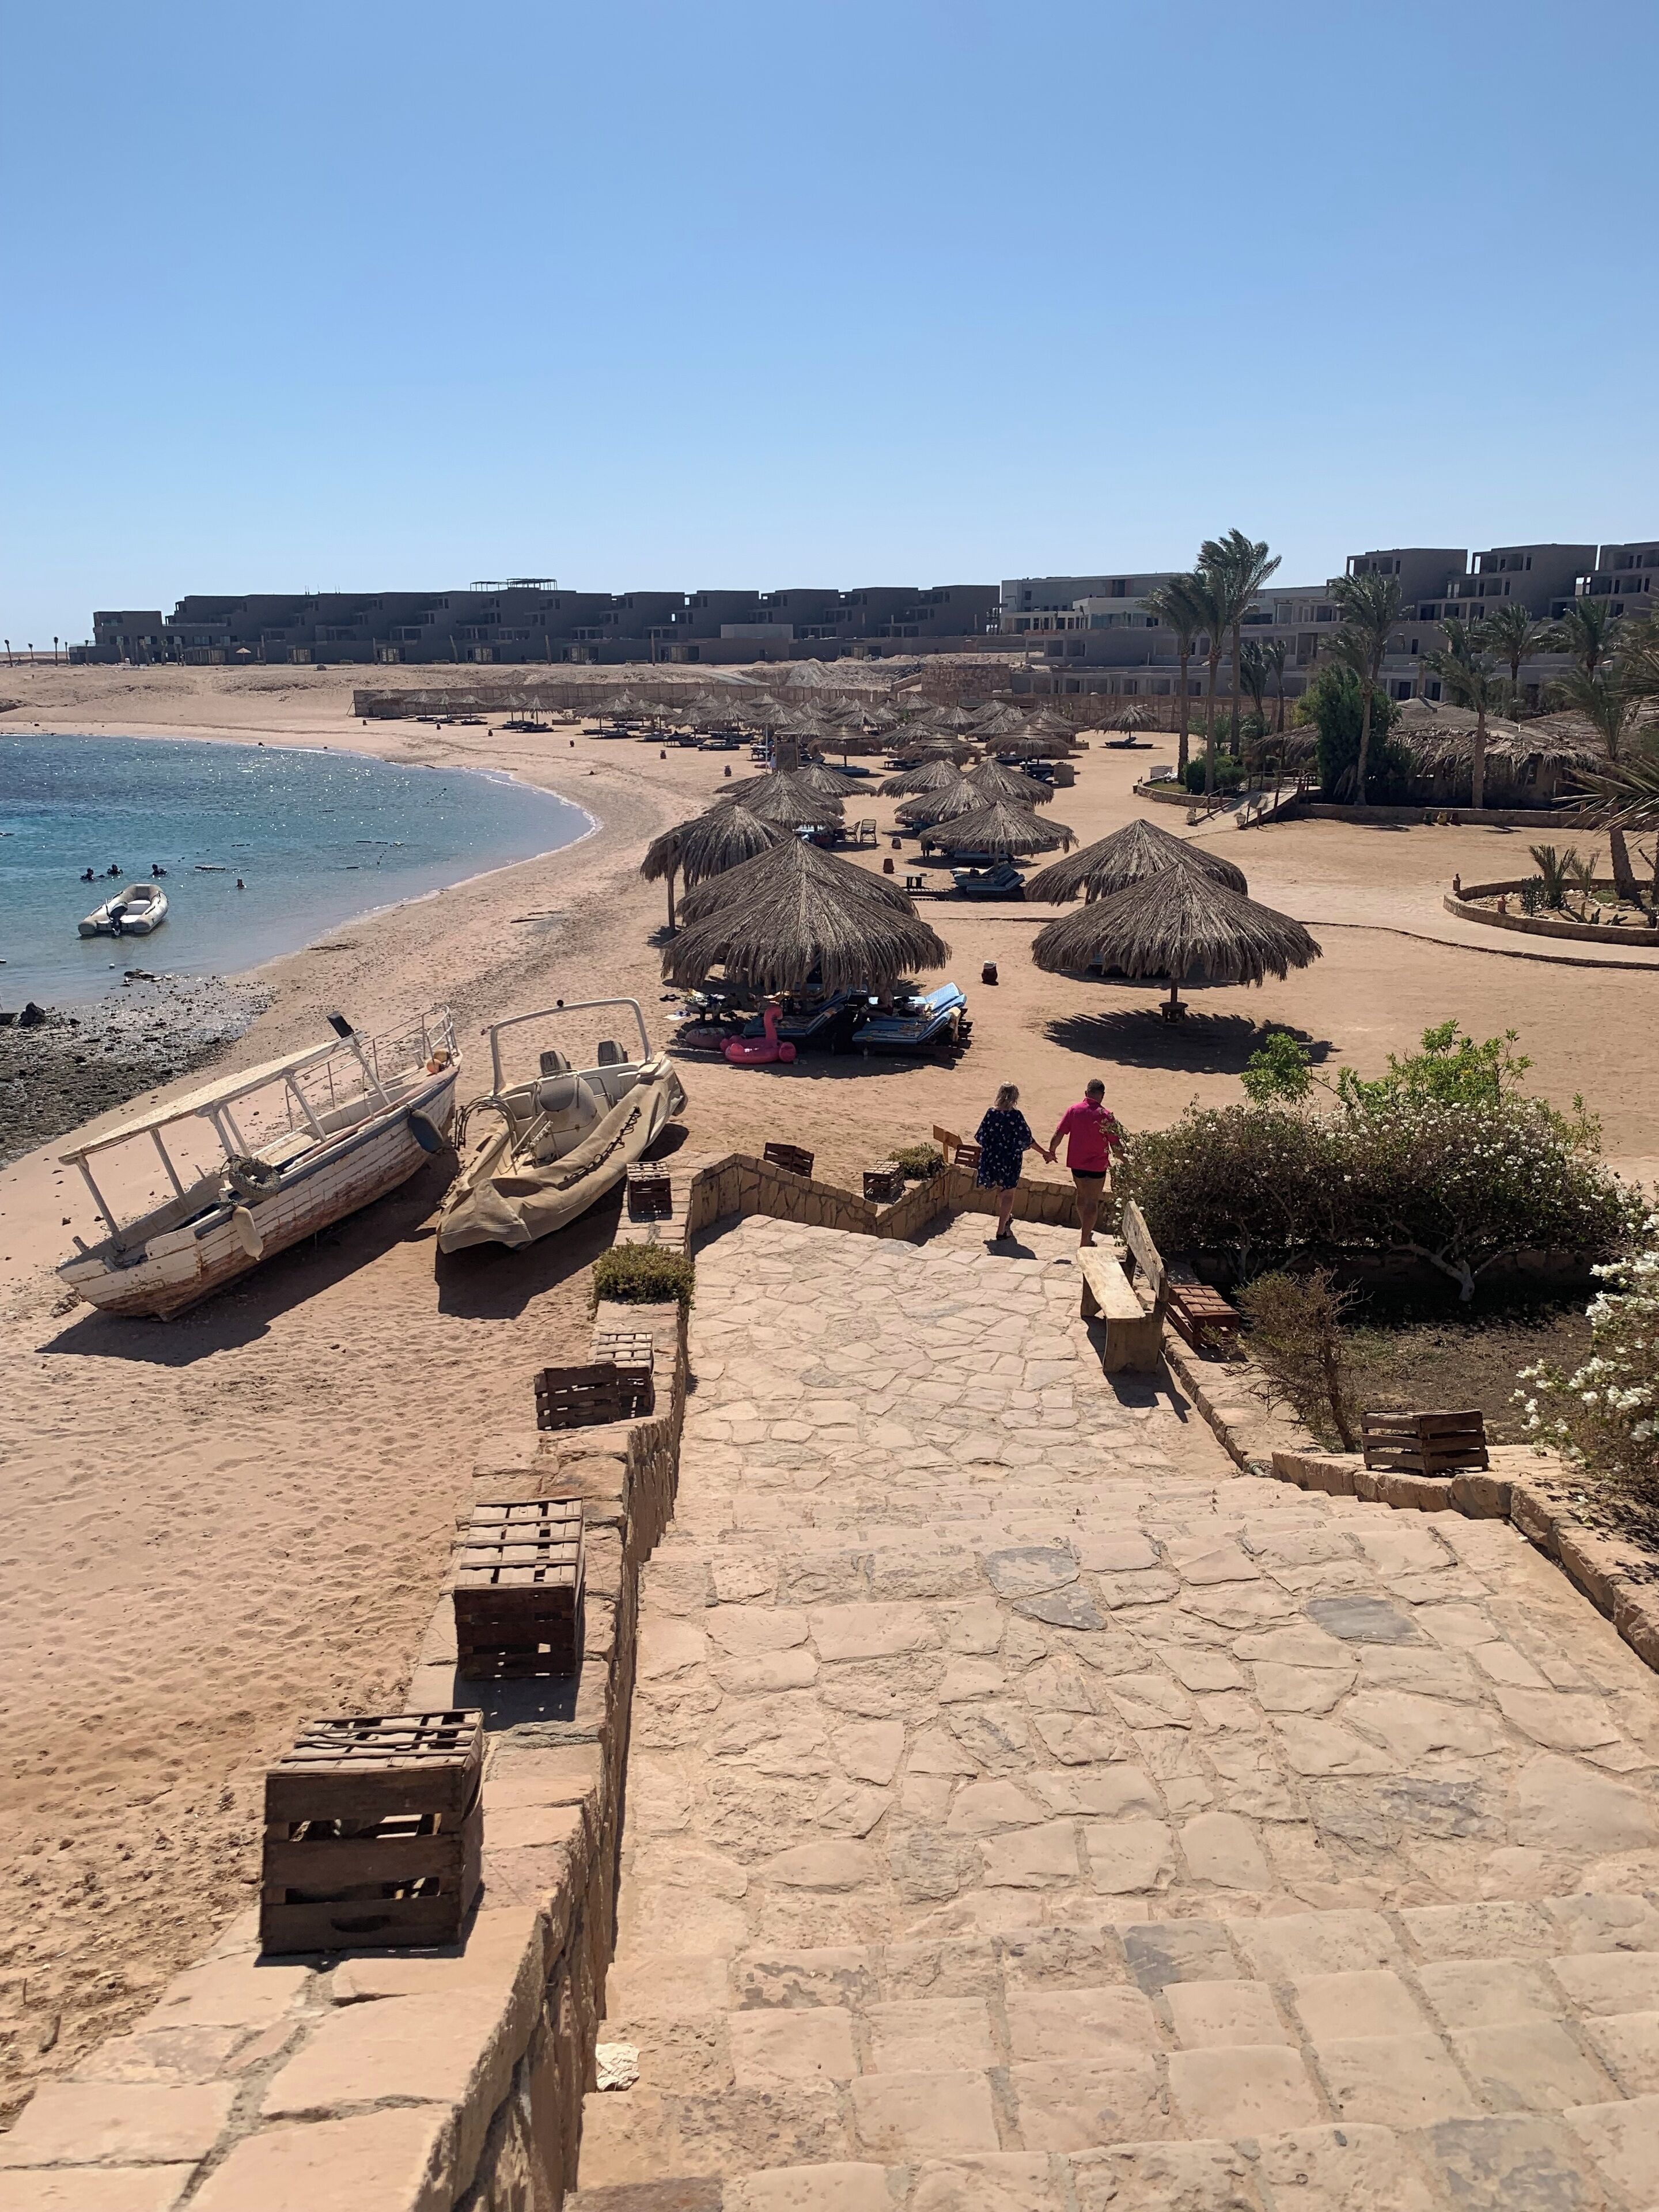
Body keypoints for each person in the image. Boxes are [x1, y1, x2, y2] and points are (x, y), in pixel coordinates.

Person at [1046, 1078, 1124, 1248]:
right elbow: (1116, 1145)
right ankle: (1085, 1238)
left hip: (1077, 1164)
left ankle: (1085, 1230)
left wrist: (1052, 1151)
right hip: (1097, 1165)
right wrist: (1126, 1160)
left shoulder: (1074, 1110)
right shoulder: (1106, 1116)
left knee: (1081, 1195)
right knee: (1092, 1201)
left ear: (1086, 1093)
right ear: (1102, 1096)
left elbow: (1059, 1133)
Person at [974, 1082, 1038, 1244]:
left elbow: (981, 1136)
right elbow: (1027, 1139)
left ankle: (1006, 1218)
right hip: (1010, 1160)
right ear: (1015, 1098)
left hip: (992, 1158)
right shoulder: (1015, 1116)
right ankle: (1001, 1230)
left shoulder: (991, 1113)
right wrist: (1045, 1153)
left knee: (1002, 1190)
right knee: (1009, 1192)